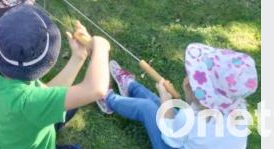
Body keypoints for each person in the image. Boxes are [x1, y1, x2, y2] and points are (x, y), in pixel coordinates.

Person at [0, 5, 111, 149]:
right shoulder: (29, 102)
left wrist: (78, 57)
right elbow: (96, 89)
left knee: (70, 105)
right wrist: (101, 47)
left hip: (4, 136)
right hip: (26, 128)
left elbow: (44, 93)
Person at [96, 44, 258, 149]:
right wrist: (179, 99)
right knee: (159, 103)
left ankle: (107, 99)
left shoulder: (190, 118)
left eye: (194, 77)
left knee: (148, 108)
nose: (187, 77)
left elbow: (169, 133)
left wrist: (166, 101)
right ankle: (131, 87)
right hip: (187, 135)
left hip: (173, 142)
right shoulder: (238, 112)